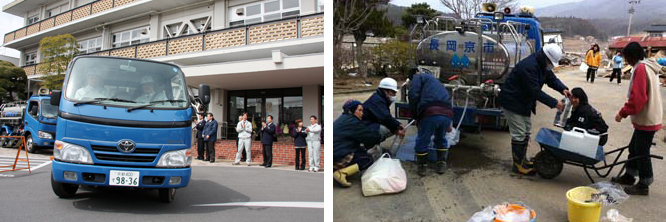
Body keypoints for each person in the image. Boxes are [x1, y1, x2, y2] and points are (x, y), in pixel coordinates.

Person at [498, 44, 571, 175]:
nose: (551, 65)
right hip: (513, 102)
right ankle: (518, 165)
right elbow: (535, 91)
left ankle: (522, 160)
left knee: (526, 131)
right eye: (550, 62)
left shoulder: (542, 64)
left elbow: (551, 79)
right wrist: (555, 103)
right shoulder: (528, 67)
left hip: (523, 102)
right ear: (545, 57)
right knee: (519, 133)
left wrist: (563, 88)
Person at [611, 42, 663, 195]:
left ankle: (644, 183)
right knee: (634, 148)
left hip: (647, 117)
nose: (626, 61)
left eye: (627, 58)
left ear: (632, 57)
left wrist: (623, 112)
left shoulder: (641, 68)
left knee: (641, 151)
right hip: (650, 115)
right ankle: (629, 175)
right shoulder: (648, 66)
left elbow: (638, 99)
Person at [407, 69, 454, 176]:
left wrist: (415, 116)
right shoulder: (436, 81)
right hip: (447, 112)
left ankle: (422, 167)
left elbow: (413, 95)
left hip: (430, 112)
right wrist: (450, 121)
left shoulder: (417, 77)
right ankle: (441, 164)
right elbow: (447, 98)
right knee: (441, 138)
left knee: (423, 139)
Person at [333, 100, 382, 187]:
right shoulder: (353, 122)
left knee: (360, 149)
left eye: (362, 110)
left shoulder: (343, 118)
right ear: (351, 111)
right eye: (359, 110)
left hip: (335, 152)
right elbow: (371, 138)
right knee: (367, 159)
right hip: (337, 155)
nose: (362, 113)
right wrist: (381, 136)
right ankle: (341, 173)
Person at [362, 77, 406, 143]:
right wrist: (397, 126)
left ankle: (372, 143)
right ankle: (369, 145)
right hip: (364, 127)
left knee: (392, 127)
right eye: (393, 92)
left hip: (366, 125)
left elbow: (385, 117)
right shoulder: (377, 101)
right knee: (389, 129)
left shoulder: (379, 98)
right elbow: (385, 118)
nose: (395, 95)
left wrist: (397, 126)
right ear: (385, 91)